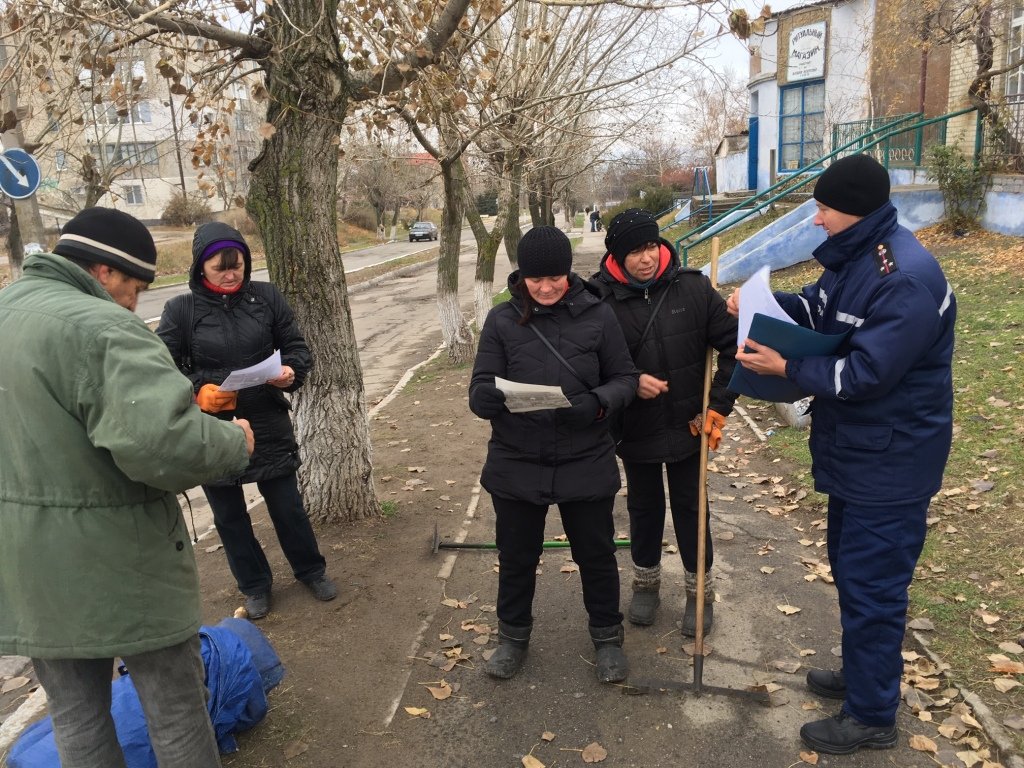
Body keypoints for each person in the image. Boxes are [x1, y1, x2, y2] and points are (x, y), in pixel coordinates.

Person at [0, 207, 254, 768]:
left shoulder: (6, 311)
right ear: (105, 272)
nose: (135, 302)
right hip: (121, 561)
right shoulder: (101, 326)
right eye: (135, 288)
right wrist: (234, 441)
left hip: (27, 567)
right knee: (177, 709)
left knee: (75, 716)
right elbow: (166, 448)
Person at [729, 154, 956, 755]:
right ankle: (863, 679)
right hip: (861, 454)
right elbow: (822, 308)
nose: (816, 220)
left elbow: (865, 373)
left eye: (823, 208)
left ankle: (873, 715)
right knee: (856, 578)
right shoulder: (859, 256)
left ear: (853, 209)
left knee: (874, 588)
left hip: (891, 461)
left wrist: (788, 368)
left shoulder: (904, 277)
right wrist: (762, 305)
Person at [468, 226, 638, 683]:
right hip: (517, 457)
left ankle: (607, 638)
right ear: (521, 275)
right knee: (517, 554)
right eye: (536, 279)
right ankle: (512, 638)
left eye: (556, 278)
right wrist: (483, 396)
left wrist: (598, 401)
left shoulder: (599, 316)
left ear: (569, 272)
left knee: (596, 554)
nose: (545, 288)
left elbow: (625, 378)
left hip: (585, 456)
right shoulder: (501, 321)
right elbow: (482, 381)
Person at [157, 222, 336, 621]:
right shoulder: (180, 310)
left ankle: (311, 571)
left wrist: (291, 371)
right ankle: (255, 586)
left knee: (288, 507)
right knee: (230, 517)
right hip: (213, 429)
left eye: (237, 265)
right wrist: (196, 390)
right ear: (200, 267)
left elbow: (296, 347)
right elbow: (161, 370)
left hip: (267, 419)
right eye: (220, 267)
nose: (230, 274)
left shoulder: (267, 298)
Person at [593, 209, 738, 635]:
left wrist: (721, 405)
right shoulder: (598, 300)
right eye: (634, 250)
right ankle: (646, 583)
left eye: (651, 246)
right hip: (633, 427)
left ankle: (699, 594)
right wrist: (628, 383)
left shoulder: (693, 290)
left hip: (689, 423)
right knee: (644, 506)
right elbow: (588, 362)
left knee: (693, 507)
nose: (646, 257)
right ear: (617, 256)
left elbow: (736, 346)